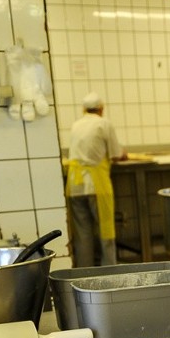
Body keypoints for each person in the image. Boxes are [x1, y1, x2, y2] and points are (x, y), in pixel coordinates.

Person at [65, 92, 126, 267]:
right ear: (101, 109)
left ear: (84, 109)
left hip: (74, 185)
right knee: (105, 230)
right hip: (96, 185)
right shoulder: (103, 124)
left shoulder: (76, 124)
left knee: (82, 234)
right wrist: (123, 154)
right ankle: (110, 272)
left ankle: (85, 273)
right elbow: (115, 154)